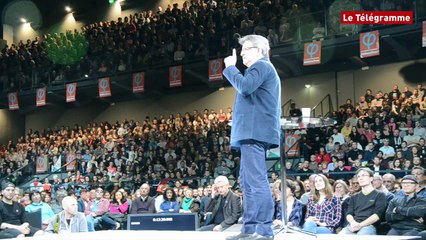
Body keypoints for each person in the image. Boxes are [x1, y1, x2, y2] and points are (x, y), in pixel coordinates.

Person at [223, 34, 281, 240]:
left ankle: (264, 230)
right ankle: (249, 229)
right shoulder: (261, 68)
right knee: (247, 182)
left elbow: (245, 87)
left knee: (256, 181)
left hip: (254, 132)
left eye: (245, 49)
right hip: (252, 132)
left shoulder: (261, 66)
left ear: (258, 51)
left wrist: (231, 67)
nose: (241, 53)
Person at [339, 168, 387, 235]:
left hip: (369, 226)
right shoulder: (354, 197)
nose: (361, 178)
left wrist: (360, 225)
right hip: (353, 225)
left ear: (371, 178)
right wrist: (353, 222)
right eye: (358, 176)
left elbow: (377, 215)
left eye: (363, 175)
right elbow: (349, 214)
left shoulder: (380, 195)